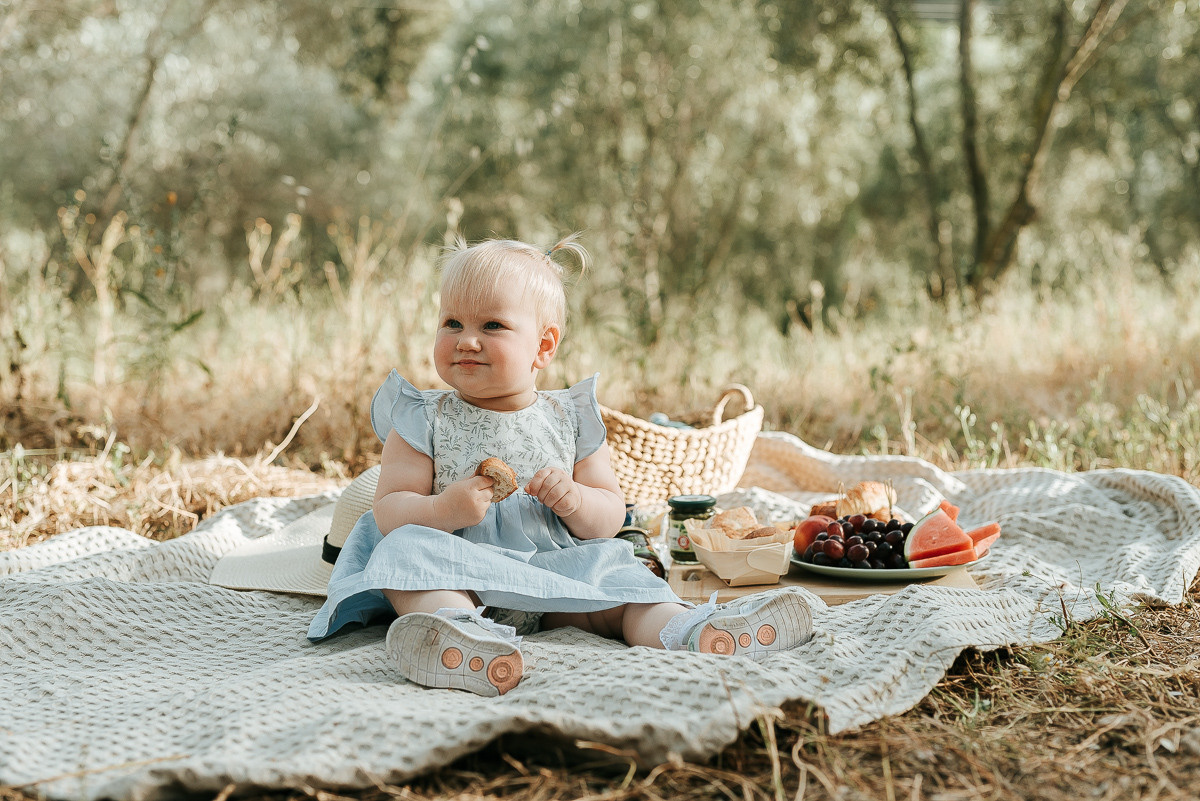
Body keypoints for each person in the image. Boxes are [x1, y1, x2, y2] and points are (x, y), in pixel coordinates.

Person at [307, 235, 813, 696]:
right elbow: (390, 508)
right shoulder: (422, 416)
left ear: (543, 347)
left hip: (556, 575)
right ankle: (463, 639)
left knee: (620, 576)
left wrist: (575, 500)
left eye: (492, 326)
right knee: (405, 552)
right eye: (452, 322)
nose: (466, 339)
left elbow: (610, 515)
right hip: (458, 569)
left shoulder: (570, 417)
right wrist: (443, 508)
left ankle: (689, 631)